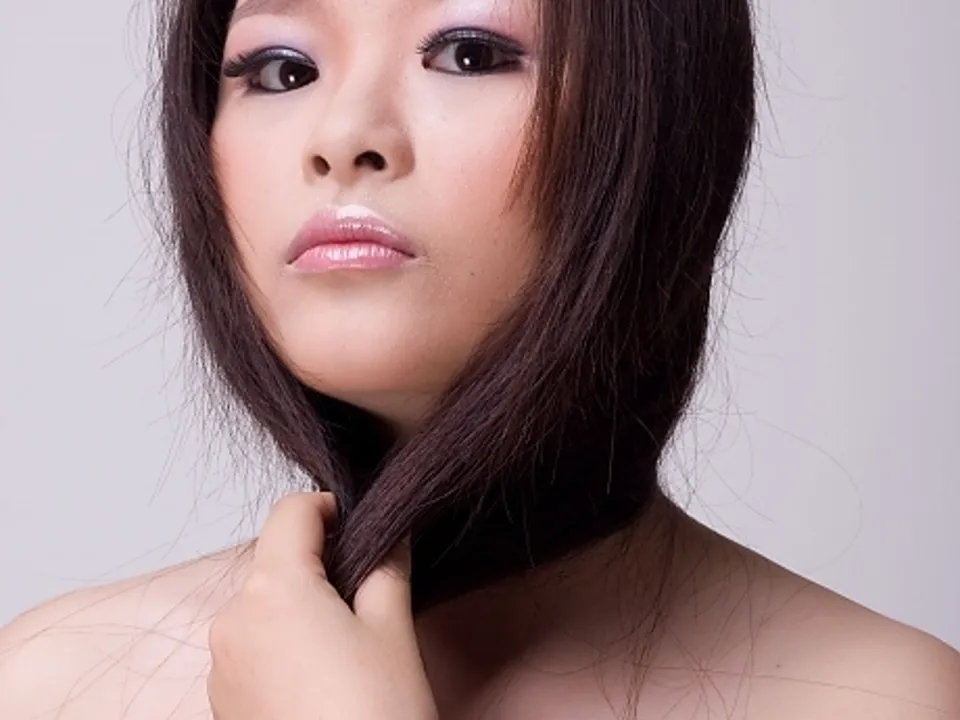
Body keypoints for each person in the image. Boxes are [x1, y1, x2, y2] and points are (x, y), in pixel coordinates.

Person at [1, 0, 958, 717]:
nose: (345, 138)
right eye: (283, 69)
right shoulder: (55, 686)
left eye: (469, 53)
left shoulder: (882, 700)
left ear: (661, 124)